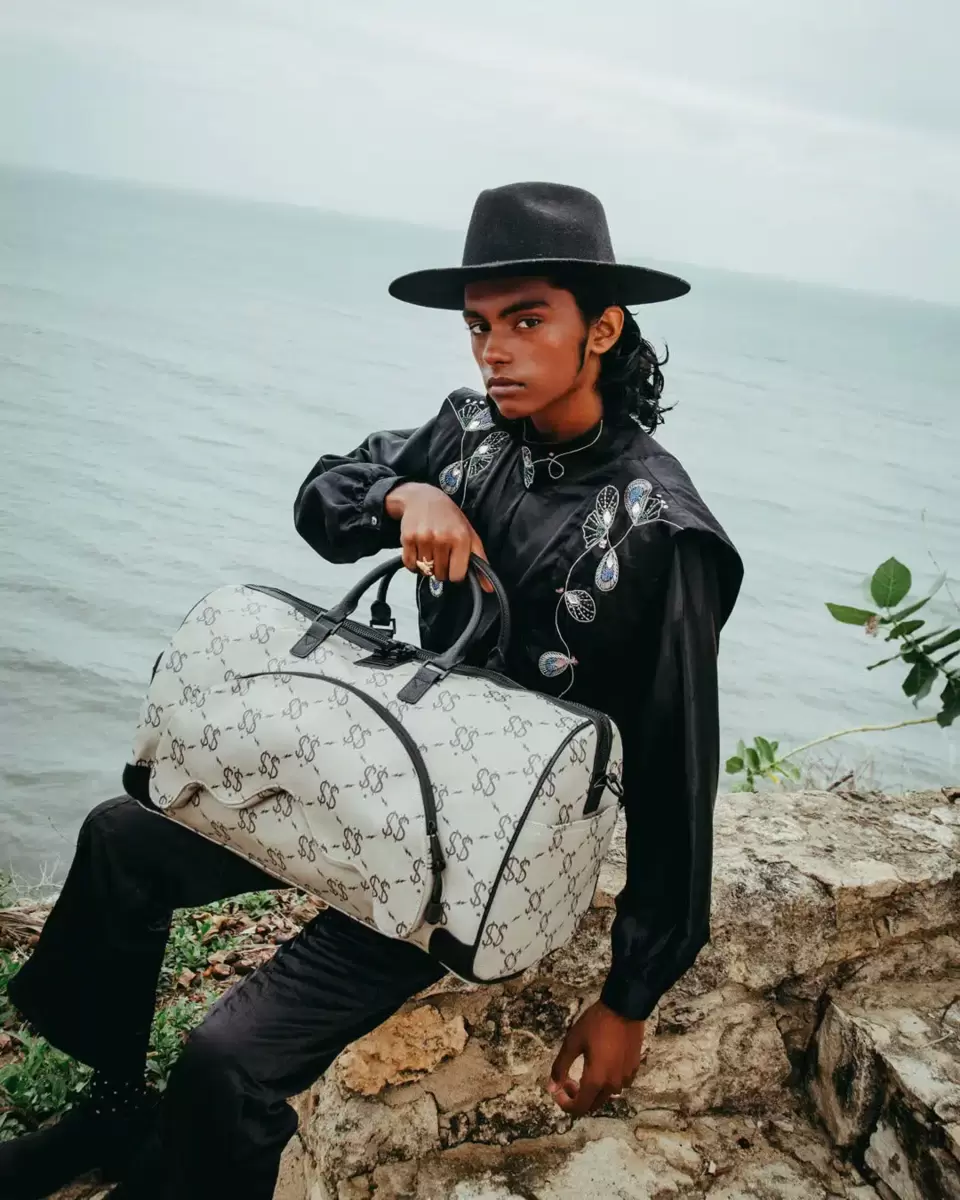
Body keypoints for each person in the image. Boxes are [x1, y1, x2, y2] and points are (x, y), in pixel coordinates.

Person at [1, 181, 742, 1200]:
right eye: (478, 325)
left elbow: (676, 775)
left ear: (602, 329)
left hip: (473, 856)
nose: (494, 351)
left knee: (228, 1057)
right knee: (120, 841)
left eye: (528, 321)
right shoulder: (468, 434)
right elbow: (323, 497)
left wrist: (631, 995)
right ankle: (111, 1110)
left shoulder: (659, 531)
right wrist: (408, 493)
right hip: (373, 772)